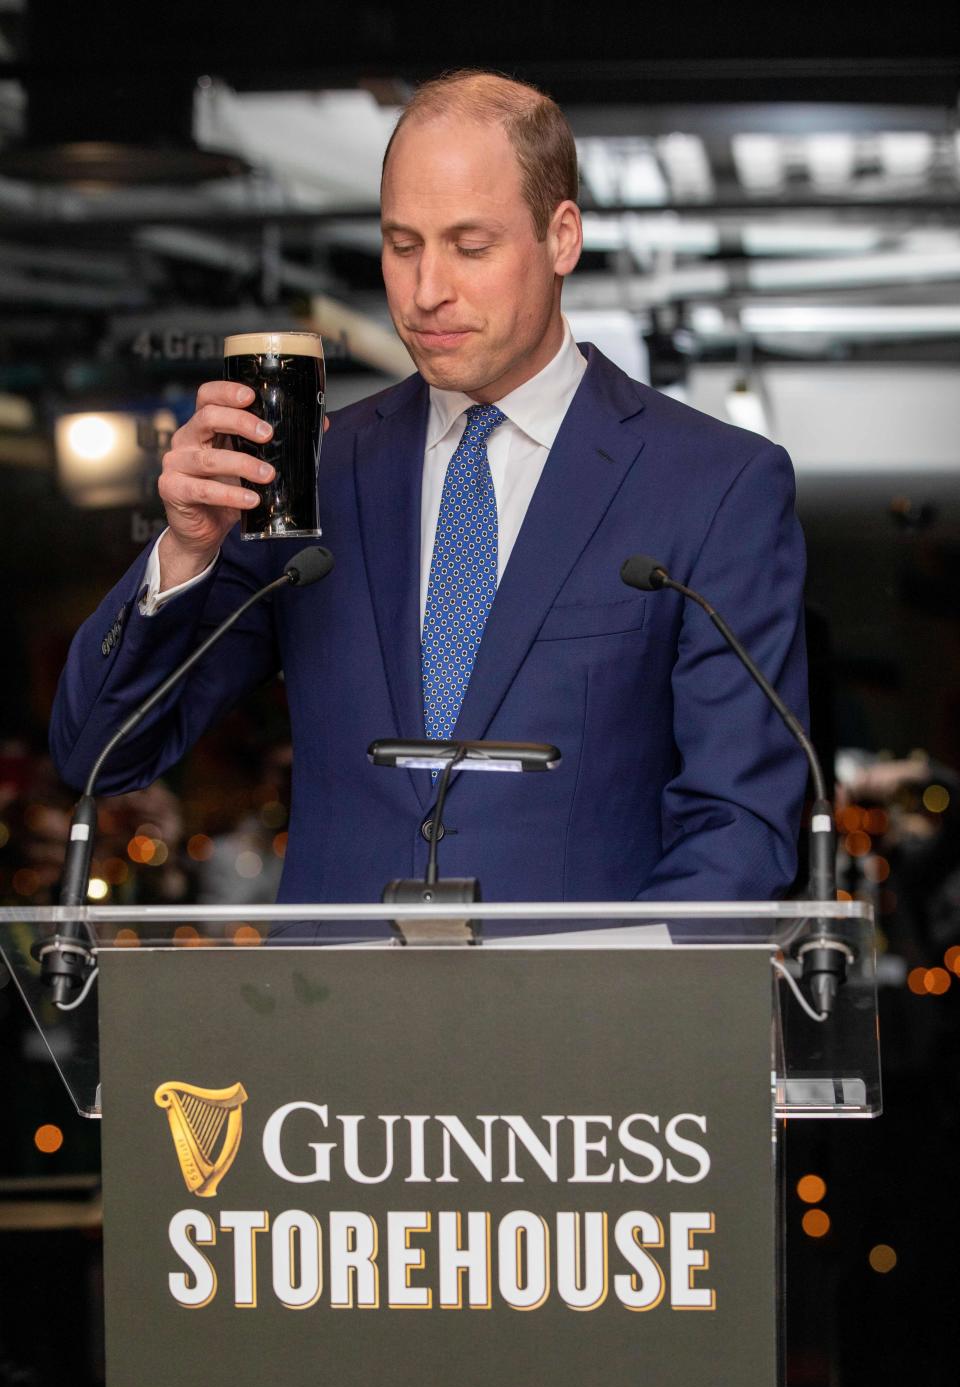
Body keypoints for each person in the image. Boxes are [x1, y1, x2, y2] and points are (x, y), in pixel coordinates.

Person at [50, 70, 808, 903]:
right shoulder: (314, 473)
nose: (425, 291)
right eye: (402, 245)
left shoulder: (712, 484)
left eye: (470, 246)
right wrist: (186, 550)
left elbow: (740, 829)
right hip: (330, 1016)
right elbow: (100, 752)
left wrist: (607, 1012)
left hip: (583, 1020)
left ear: (562, 237)